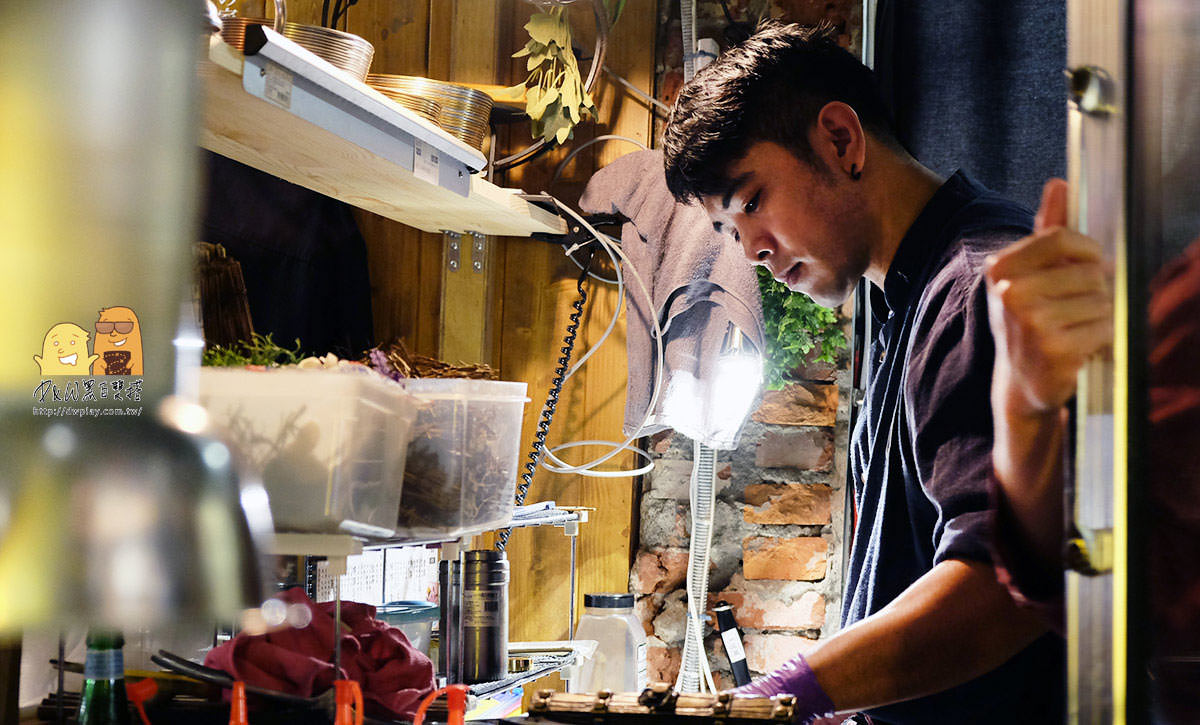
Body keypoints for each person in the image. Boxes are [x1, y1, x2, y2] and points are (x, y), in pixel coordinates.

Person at [661, 21, 1063, 724]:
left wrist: (790, 693)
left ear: (841, 141)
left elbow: (1004, 588)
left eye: (752, 201)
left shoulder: (972, 289)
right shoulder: (914, 293)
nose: (752, 250)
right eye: (729, 230)